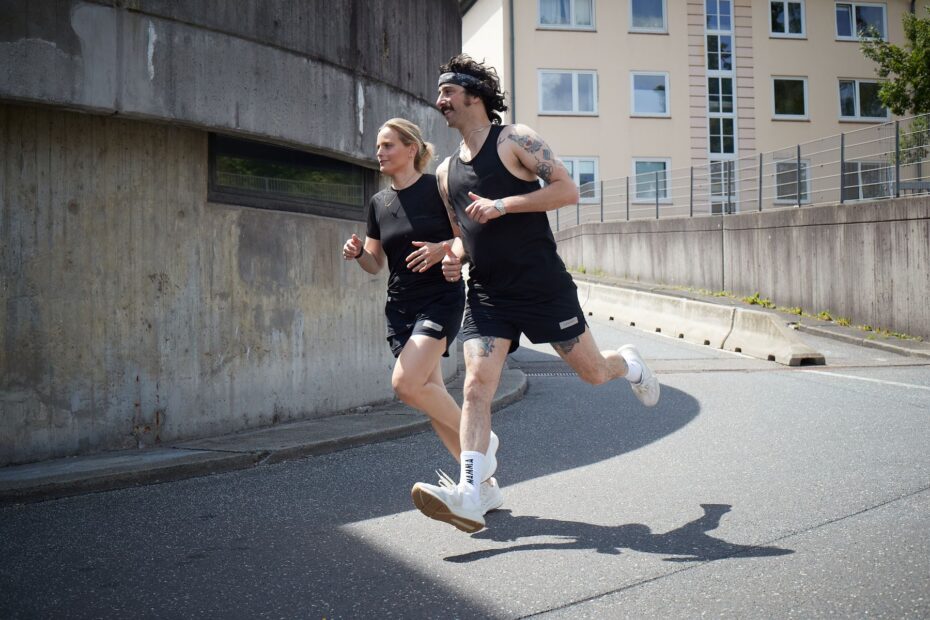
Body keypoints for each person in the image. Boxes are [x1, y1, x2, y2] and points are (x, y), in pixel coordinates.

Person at [409, 56, 661, 534]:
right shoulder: (445, 173)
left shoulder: (515, 141)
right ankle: (471, 494)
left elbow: (567, 191)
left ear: (473, 95)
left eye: (447, 92)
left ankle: (628, 363)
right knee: (475, 385)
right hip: (489, 293)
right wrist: (454, 255)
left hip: (542, 286)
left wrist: (503, 204)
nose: (439, 101)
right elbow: (463, 233)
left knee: (593, 373)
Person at [342, 118, 503, 517]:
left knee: (406, 383)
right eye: (378, 146)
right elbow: (376, 263)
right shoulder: (379, 203)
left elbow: (469, 236)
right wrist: (359, 253)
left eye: (388, 145)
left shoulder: (437, 189)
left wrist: (441, 249)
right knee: (430, 397)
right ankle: (482, 488)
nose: (379, 152)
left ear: (411, 149)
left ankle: (484, 444)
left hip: (439, 298)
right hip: (400, 308)